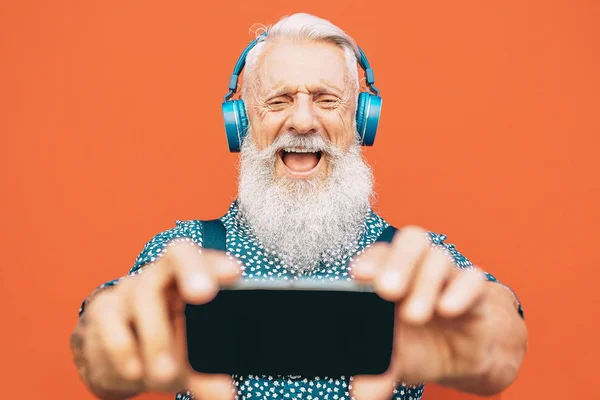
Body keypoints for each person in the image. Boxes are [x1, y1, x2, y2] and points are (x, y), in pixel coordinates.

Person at [69, 13, 527, 400]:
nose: (304, 121)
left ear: (360, 120)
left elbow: (500, 325)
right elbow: (99, 332)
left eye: (328, 100)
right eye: (278, 100)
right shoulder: (183, 253)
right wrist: (104, 343)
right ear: (242, 122)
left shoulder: (416, 263)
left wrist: (488, 337)